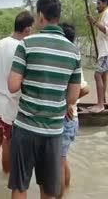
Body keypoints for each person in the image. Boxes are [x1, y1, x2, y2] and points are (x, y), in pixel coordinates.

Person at [7, 0, 81, 199]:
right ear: (58, 16)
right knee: (48, 191)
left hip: (25, 128)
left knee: (20, 186)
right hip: (53, 131)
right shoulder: (74, 52)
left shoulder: (27, 44)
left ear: (41, 16)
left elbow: (12, 86)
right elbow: (73, 98)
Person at [0, 11, 34, 173]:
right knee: (8, 141)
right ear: (27, 29)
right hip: (12, 103)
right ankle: (5, 177)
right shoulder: (23, 47)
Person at [57, 23, 90, 199]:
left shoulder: (68, 57)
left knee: (59, 164)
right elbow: (83, 89)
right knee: (62, 160)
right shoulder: (72, 56)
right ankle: (67, 190)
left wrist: (68, 103)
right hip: (71, 118)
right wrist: (71, 102)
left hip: (66, 119)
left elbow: (86, 89)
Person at [87, 0, 108, 113]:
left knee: (97, 75)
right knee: (103, 76)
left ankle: (100, 104)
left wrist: (94, 22)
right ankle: (102, 103)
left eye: (99, 3)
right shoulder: (104, 14)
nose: (97, 6)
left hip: (106, 52)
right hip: (103, 51)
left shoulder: (107, 13)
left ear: (105, 3)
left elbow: (106, 30)